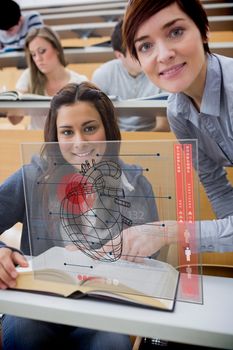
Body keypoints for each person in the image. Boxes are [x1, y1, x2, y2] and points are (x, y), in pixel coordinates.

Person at [0, 81, 159, 350]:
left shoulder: (135, 183)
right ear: (55, 136)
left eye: (89, 128)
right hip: (40, 303)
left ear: (107, 128)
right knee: (25, 331)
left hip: (101, 310)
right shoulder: (32, 177)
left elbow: (149, 261)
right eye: (67, 132)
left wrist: (112, 258)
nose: (79, 143)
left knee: (111, 343)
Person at [121, 0, 233, 255]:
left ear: (204, 31)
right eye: (146, 46)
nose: (163, 55)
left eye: (176, 32)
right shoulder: (177, 110)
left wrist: (171, 232)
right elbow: (214, 183)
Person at [92, 20, 170, 132]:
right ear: (119, 55)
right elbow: (101, 122)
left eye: (145, 47)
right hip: (118, 136)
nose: (145, 55)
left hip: (152, 137)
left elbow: (163, 126)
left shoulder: (163, 71)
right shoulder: (103, 74)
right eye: (134, 52)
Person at [7, 26, 88, 129]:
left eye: (42, 51)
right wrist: (13, 103)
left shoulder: (80, 82)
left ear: (56, 49)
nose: (38, 59)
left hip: (67, 141)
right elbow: (15, 120)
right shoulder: (28, 76)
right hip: (37, 140)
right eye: (33, 54)